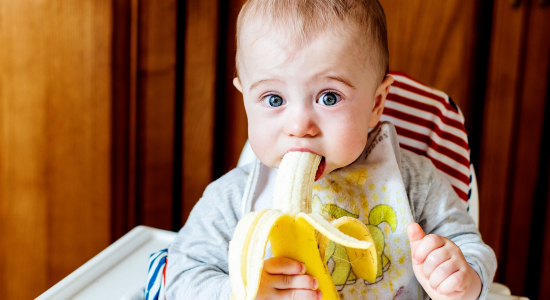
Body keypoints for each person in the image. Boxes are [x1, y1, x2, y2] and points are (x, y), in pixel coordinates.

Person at [165, 0, 497, 299]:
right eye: (274, 99)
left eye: (329, 97)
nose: (299, 125)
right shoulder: (232, 200)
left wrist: (462, 278)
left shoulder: (413, 183)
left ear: (376, 103)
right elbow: (180, 277)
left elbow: (471, 247)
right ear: (246, 100)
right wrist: (241, 293)